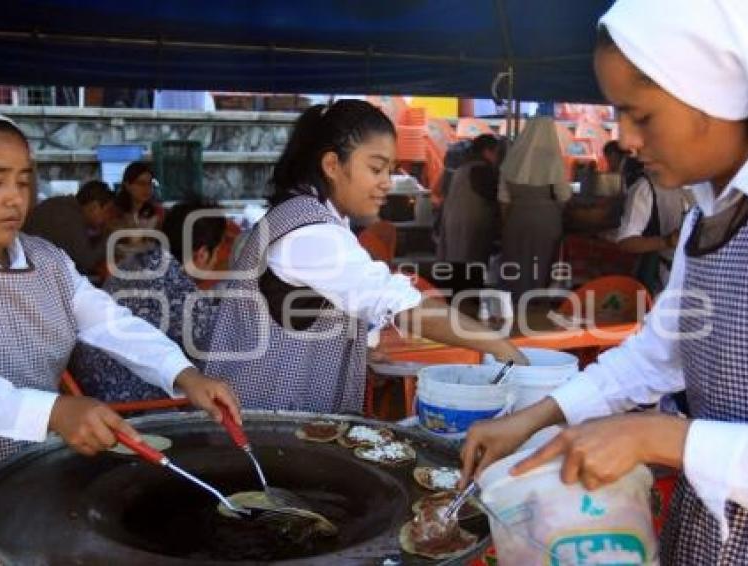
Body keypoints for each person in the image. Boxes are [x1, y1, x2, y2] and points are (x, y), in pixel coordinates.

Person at [461, 1, 748, 564]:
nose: (623, 137)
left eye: (641, 115)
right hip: (706, 538)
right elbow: (657, 353)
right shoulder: (712, 212)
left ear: (718, 91)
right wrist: (537, 414)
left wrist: (662, 437)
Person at [0, 109, 240, 565]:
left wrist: (184, 374)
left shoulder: (46, 261)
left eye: (24, 181)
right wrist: (52, 410)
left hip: (26, 490)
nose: (15, 198)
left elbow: (109, 322)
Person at [205, 100, 527, 414]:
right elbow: (399, 303)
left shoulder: (302, 216)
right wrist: (500, 346)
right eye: (376, 168)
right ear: (331, 165)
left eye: (390, 169)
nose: (387, 183)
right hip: (267, 425)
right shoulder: (312, 235)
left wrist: (359, 354)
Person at [69, 201, 227, 403]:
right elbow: (214, 349)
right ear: (202, 254)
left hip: (88, 388)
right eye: (220, 252)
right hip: (128, 405)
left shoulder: (134, 261)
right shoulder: (184, 295)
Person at [498, 117, 573, 301]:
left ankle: (514, 304)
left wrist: (506, 223)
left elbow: (503, 199)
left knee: (516, 263)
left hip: (516, 218)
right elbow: (564, 195)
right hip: (546, 220)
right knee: (542, 262)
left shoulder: (511, 158)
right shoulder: (552, 159)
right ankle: (537, 304)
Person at [611, 158, 689, 294]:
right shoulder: (647, 187)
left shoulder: (710, 183)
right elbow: (626, 241)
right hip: (669, 278)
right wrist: (668, 241)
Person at [437, 134, 501, 293]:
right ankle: (466, 304)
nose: (497, 158)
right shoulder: (481, 170)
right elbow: (496, 195)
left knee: (458, 263)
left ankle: (457, 300)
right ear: (487, 151)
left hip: (455, 223)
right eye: (496, 153)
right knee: (470, 268)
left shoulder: (463, 167)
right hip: (471, 227)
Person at [23, 180, 116, 276]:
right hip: (36, 275)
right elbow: (87, 262)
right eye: (107, 211)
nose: (108, 217)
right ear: (94, 206)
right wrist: (110, 236)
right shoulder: (70, 217)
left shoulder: (66, 206)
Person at [111, 161, 165, 256]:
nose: (147, 188)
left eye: (150, 183)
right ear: (127, 185)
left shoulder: (157, 212)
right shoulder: (114, 212)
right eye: (141, 183)